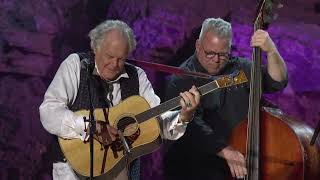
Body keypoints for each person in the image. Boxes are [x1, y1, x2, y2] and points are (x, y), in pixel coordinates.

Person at [39, 20, 200, 180]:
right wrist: (89, 126)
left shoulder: (137, 77)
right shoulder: (75, 65)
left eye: (121, 59)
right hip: (73, 172)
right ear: (95, 48)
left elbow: (157, 122)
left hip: (122, 172)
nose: (114, 64)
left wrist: (183, 116)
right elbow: (49, 112)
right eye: (109, 56)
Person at [163, 18, 288, 179]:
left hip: (241, 161)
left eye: (223, 55)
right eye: (210, 53)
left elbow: (278, 81)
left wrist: (271, 51)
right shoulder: (181, 78)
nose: (216, 60)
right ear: (198, 46)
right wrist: (225, 150)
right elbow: (191, 127)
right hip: (197, 166)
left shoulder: (240, 68)